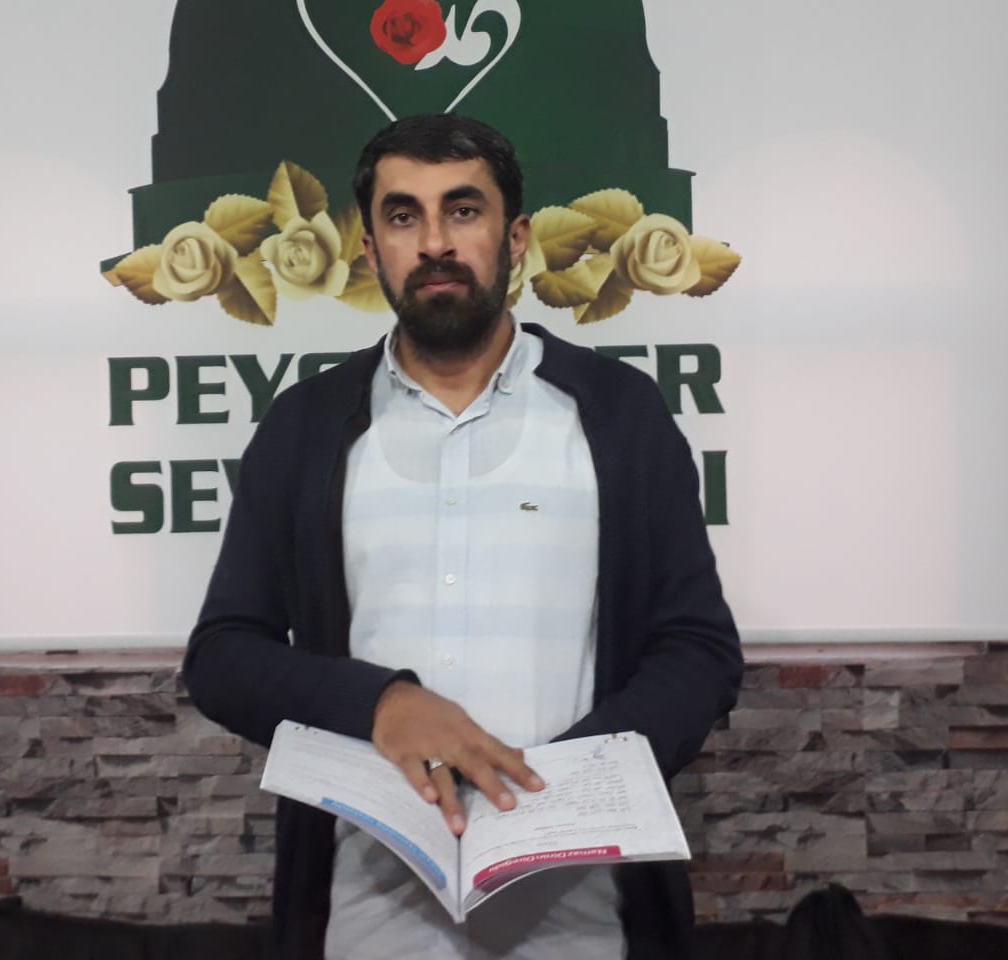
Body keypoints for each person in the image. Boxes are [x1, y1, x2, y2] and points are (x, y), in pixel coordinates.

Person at [184, 113, 743, 959]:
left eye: (464, 210)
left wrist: (567, 791)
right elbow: (223, 655)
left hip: (584, 917)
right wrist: (381, 704)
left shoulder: (620, 414)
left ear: (516, 239)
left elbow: (699, 650)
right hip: (366, 917)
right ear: (370, 251)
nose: (435, 242)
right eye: (403, 216)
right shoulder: (305, 426)